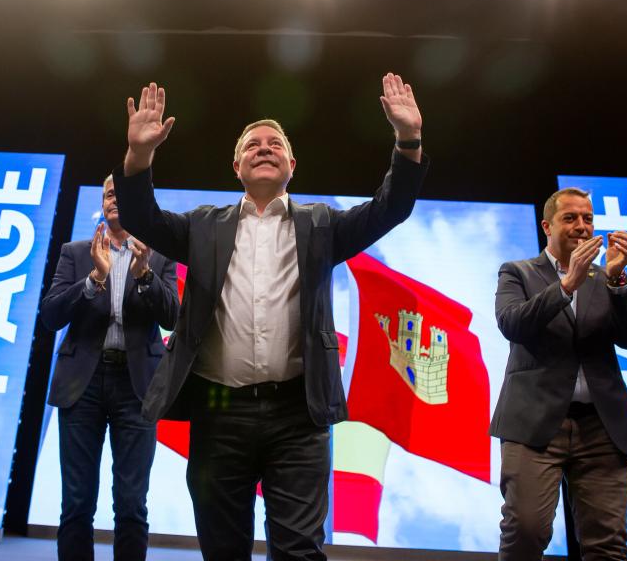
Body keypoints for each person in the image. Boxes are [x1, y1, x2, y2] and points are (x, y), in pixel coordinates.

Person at [113, 73, 428, 560]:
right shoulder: (201, 226)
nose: (264, 148)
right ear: (236, 164)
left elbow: (392, 208)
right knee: (223, 549)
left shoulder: (322, 225)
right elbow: (140, 218)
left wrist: (408, 140)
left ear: (292, 164)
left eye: (274, 143)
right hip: (219, 412)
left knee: (300, 550)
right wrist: (139, 155)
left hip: (299, 415)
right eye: (252, 144)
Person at [489, 187, 627, 560]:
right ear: (548, 226)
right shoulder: (518, 272)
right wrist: (566, 285)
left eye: (588, 218)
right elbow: (512, 324)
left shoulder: (605, 276)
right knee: (526, 531)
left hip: (602, 427)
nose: (582, 226)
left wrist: (617, 281)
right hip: (534, 424)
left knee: (607, 545)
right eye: (571, 218)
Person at [39, 175, 179, 561]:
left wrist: (144, 274)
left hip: (137, 388)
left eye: (120, 192)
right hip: (81, 385)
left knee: (132, 503)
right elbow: (50, 316)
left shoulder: (159, 254)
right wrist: (93, 279)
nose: (112, 198)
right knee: (77, 502)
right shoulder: (76, 252)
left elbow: (172, 318)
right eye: (107, 194)